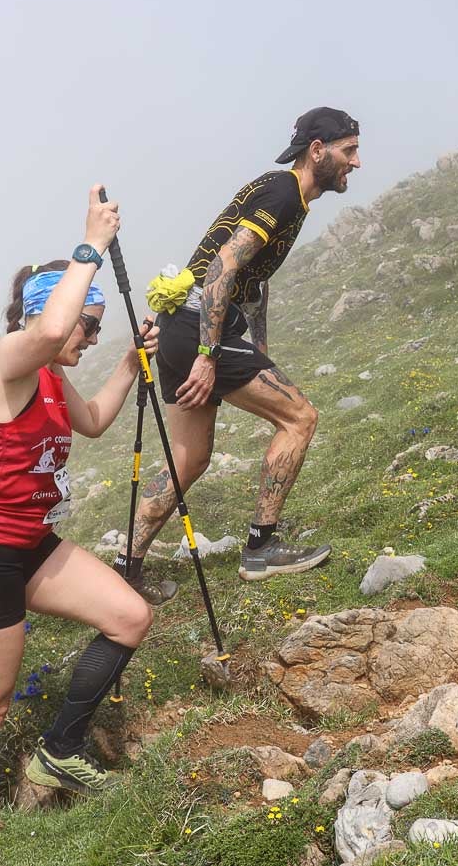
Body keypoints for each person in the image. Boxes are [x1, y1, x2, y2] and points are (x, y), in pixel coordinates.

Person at [0, 184, 161, 812]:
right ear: (48, 312)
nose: (89, 336)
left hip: (27, 542)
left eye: (98, 326)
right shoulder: (9, 362)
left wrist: (130, 365)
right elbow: (54, 325)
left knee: (130, 616)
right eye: (89, 323)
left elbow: (95, 421)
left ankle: (60, 752)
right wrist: (94, 243)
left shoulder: (52, 378)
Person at [116, 107, 361, 604]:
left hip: (183, 324)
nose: (356, 163)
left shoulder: (283, 193)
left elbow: (253, 283)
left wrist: (259, 351)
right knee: (300, 419)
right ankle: (262, 547)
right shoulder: (284, 194)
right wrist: (209, 356)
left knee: (189, 458)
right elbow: (221, 272)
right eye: (349, 151)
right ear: (318, 150)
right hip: (200, 327)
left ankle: (126, 571)